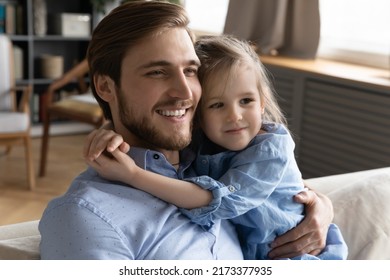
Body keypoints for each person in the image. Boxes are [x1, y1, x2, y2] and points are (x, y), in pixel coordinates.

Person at [39, 1, 333, 259]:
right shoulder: (84, 216)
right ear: (105, 87)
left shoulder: (214, 155)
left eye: (190, 71)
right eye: (157, 72)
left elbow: (277, 191)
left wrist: (320, 208)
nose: (185, 92)